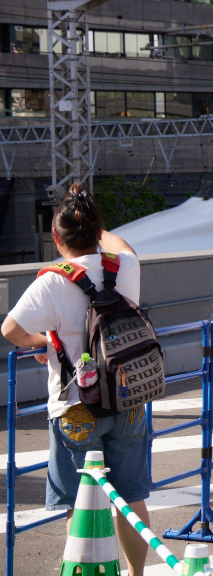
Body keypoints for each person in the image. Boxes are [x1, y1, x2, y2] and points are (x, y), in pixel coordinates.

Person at [1, 185, 151, 576]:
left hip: (75, 404)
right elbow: (123, 246)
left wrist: (46, 342)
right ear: (98, 231)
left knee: (80, 503)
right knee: (132, 497)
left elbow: (10, 329)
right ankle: (136, 574)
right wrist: (95, 218)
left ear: (56, 237)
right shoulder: (126, 268)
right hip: (127, 396)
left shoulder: (52, 282)